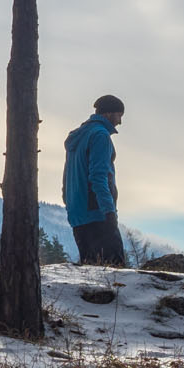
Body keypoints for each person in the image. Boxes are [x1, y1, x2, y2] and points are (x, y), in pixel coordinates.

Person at [63, 94, 128, 267]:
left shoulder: (78, 136)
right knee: (115, 271)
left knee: (90, 273)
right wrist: (108, 211)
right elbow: (99, 176)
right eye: (119, 115)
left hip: (78, 213)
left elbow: (66, 176)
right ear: (108, 114)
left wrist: (68, 203)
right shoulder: (100, 135)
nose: (120, 121)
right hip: (97, 212)